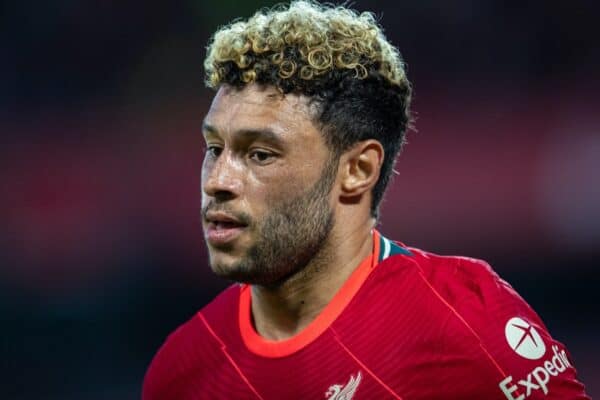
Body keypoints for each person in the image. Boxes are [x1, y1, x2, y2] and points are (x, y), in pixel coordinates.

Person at [143, 1, 589, 398]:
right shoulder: (182, 369)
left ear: (357, 171)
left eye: (260, 154)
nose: (218, 180)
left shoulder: (464, 319)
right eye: (214, 149)